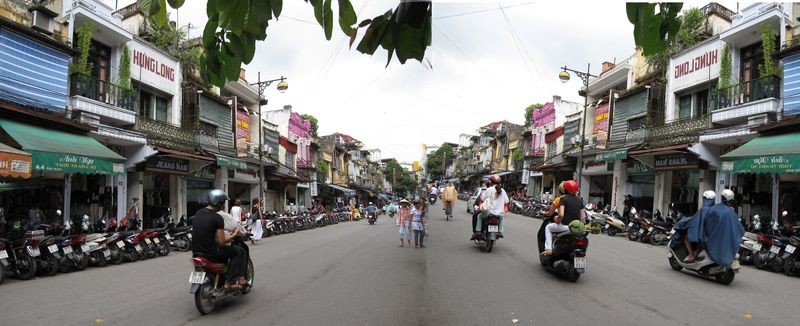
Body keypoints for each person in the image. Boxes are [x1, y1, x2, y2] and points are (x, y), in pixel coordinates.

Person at [192, 189, 246, 290]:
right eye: (222, 203)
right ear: (218, 203)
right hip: (211, 252)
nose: (222, 206)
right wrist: (234, 234)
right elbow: (222, 241)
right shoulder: (217, 218)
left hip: (196, 252)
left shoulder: (199, 213)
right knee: (237, 251)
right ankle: (229, 282)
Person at [702, 189, 745, 268]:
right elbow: (740, 229)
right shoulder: (732, 211)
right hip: (728, 240)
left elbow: (708, 225)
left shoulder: (715, 209)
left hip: (716, 240)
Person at [541, 180, 585, 255]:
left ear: (565, 189)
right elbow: (583, 217)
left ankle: (548, 248)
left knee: (548, 227)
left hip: (565, 227)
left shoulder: (563, 199)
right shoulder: (580, 200)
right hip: (575, 228)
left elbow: (561, 215)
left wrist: (558, 221)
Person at [672, 190, 715, 263]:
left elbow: (693, 220)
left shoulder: (704, 210)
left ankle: (691, 255)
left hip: (705, 235)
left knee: (687, 237)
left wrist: (683, 224)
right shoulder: (716, 209)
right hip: (713, 235)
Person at [475, 174, 509, 239]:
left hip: (489, 213)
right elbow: (506, 201)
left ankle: (478, 232)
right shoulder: (503, 191)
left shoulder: (489, 189)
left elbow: (482, 198)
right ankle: (500, 232)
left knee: (479, 216)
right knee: (501, 217)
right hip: (499, 214)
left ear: (491, 182)